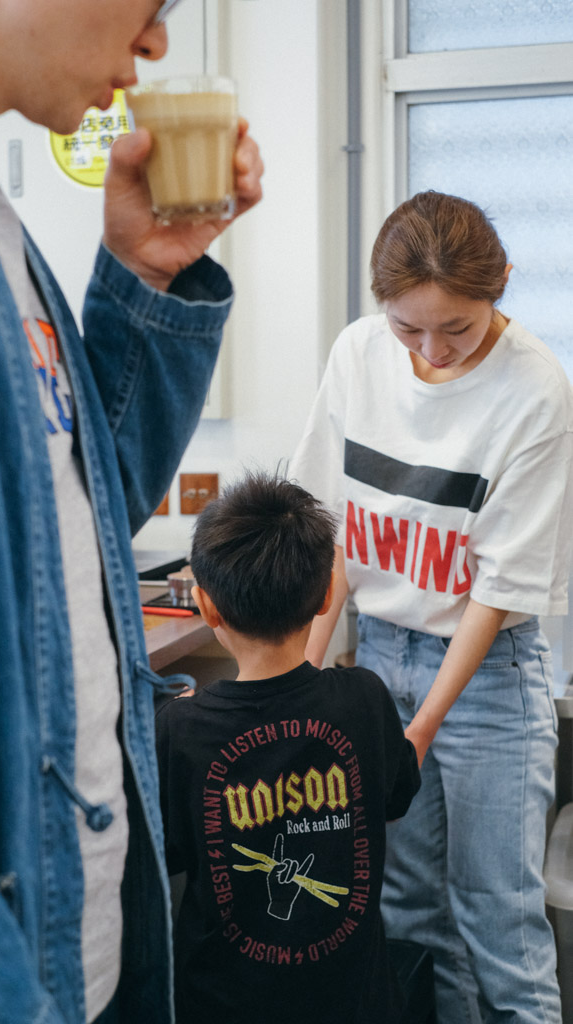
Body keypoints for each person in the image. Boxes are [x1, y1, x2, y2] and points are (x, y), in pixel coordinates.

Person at [0, 1, 263, 1022]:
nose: (156, 42)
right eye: (155, 4)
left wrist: (147, 273)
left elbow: (74, 521)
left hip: (74, 947)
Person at [290, 190, 573, 1024]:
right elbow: (332, 533)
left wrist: (420, 729)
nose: (432, 350)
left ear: (500, 285)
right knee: (406, 913)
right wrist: (302, 677)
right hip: (379, 655)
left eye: (456, 327)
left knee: (498, 923)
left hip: (488, 674)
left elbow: (496, 590)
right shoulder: (357, 354)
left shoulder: (536, 391)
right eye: (407, 328)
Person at [155, 472, 420, 1024]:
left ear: (206, 606)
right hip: (357, 1006)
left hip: (222, 1007)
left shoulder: (181, 729)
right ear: (325, 596)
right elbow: (395, 798)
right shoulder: (365, 699)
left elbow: (168, 855)